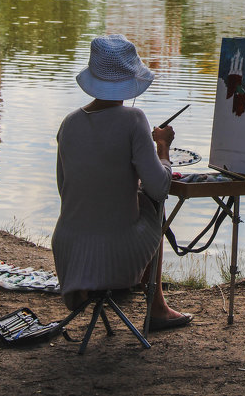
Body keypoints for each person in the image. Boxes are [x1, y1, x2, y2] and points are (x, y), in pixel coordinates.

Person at [51, 33, 192, 331]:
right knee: (152, 204)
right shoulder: (133, 120)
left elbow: (66, 187)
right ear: (129, 79)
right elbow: (159, 186)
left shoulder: (69, 123)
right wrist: (162, 146)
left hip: (68, 250)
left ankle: (93, 285)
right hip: (115, 251)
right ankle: (157, 308)